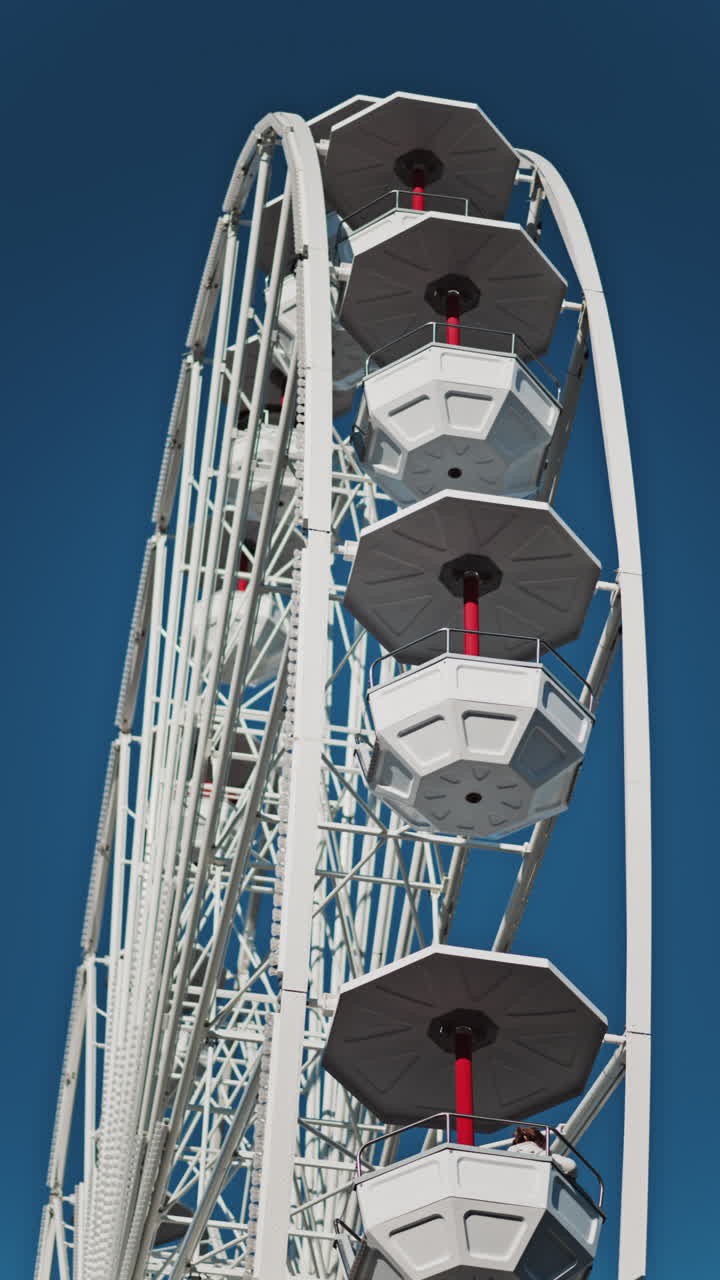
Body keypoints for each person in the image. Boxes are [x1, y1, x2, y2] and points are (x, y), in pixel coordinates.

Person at [508, 1125, 577, 1179]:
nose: (546, 1146)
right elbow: (570, 1166)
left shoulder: (510, 1153)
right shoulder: (541, 1153)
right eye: (544, 1142)